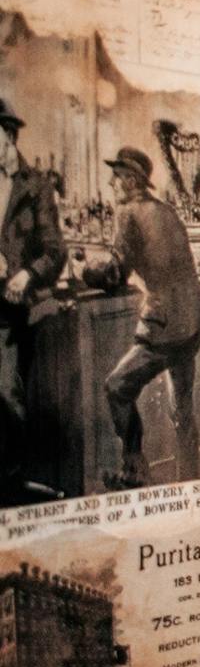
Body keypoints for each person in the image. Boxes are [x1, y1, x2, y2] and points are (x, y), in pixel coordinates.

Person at [78, 147, 200, 489]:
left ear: (130, 180)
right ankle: (190, 482)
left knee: (117, 387)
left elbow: (116, 272)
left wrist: (86, 271)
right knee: (182, 407)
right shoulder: (165, 209)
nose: (111, 182)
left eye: (116, 176)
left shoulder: (128, 211)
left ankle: (135, 471)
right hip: (193, 322)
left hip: (164, 327)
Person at [0, 101, 63, 498]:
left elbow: (55, 252)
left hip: (13, 310)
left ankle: (10, 486)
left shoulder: (36, 185)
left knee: (6, 396)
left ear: (7, 137)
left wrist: (26, 273)